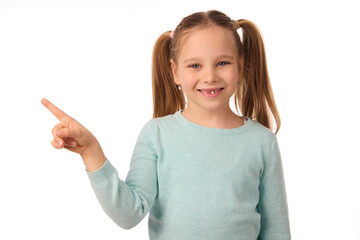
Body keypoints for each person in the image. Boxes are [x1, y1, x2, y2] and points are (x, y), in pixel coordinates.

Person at [42, 10, 291, 240]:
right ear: (175, 72)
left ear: (241, 66)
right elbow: (128, 215)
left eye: (222, 63)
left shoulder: (262, 141)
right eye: (195, 65)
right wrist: (90, 151)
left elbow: (276, 230)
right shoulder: (156, 134)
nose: (210, 76)